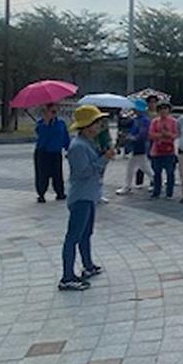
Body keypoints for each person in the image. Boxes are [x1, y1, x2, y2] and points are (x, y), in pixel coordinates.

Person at [59, 105, 115, 291]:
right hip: (81, 196)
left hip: (89, 195)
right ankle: (67, 276)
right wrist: (104, 159)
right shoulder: (77, 146)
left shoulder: (89, 142)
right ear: (87, 125)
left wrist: (104, 155)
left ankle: (88, 265)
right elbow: (84, 172)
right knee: (73, 236)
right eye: (96, 122)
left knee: (86, 233)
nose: (100, 126)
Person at [34, 103, 70, 203]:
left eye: (56, 112)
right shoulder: (41, 124)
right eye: (52, 112)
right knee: (42, 174)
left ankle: (60, 193)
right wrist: (46, 124)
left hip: (56, 152)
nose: (54, 114)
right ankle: (41, 194)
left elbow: (65, 137)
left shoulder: (61, 123)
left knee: (57, 174)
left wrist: (68, 149)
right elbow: (42, 139)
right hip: (43, 153)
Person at [116, 99, 153, 195]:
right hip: (137, 146)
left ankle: (127, 186)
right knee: (141, 166)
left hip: (140, 146)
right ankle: (128, 186)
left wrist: (132, 137)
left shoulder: (144, 120)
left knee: (141, 167)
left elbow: (143, 134)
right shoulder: (137, 119)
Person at [149, 100, 178, 199]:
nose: (163, 111)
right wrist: (161, 135)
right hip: (156, 151)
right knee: (157, 172)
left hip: (169, 151)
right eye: (161, 109)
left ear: (169, 110)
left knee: (170, 172)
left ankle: (169, 193)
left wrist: (167, 134)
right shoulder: (155, 121)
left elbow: (176, 135)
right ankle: (156, 191)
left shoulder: (173, 121)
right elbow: (151, 134)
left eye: (165, 109)